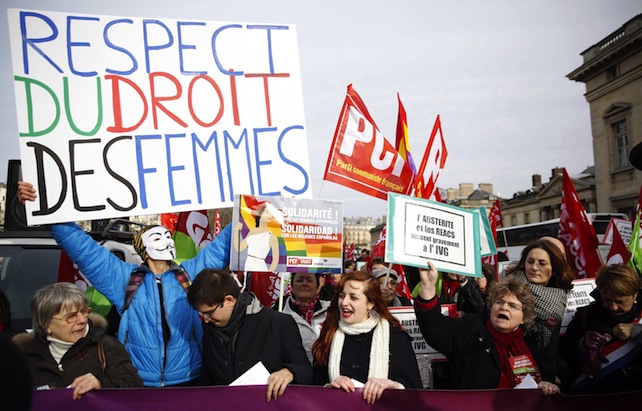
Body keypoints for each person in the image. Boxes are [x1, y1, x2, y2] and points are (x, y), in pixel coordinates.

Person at [17, 181, 232, 387]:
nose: (166, 241)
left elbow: (222, 246)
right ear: (144, 250)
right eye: (157, 238)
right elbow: (82, 248)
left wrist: (249, 212)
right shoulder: (123, 279)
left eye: (167, 236)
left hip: (190, 378)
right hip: (137, 382)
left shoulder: (189, 274)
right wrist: (43, 208)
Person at [415, 262, 560, 395]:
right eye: (499, 302)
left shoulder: (535, 353)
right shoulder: (470, 330)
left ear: (524, 317)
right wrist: (428, 288)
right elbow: (435, 329)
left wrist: (549, 388)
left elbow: (550, 389)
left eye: (513, 306)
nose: (504, 307)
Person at [187, 268, 312, 401]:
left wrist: (290, 372)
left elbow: (305, 370)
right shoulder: (209, 327)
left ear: (229, 300)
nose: (206, 319)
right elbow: (208, 375)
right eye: (202, 314)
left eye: (209, 312)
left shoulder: (279, 323)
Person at [12, 283, 142, 399]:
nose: (82, 320)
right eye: (71, 317)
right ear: (46, 325)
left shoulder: (105, 346)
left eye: (84, 312)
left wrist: (101, 384)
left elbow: (136, 390)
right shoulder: (25, 358)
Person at [312, 271, 422, 404]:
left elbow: (415, 392)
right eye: (342, 296)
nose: (344, 302)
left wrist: (392, 385)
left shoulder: (396, 338)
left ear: (370, 303)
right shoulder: (329, 334)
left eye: (353, 297)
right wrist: (330, 388)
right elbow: (314, 388)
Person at [560, 264, 642, 394]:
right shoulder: (586, 316)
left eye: (620, 302)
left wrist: (636, 331)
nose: (613, 307)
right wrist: (583, 346)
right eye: (607, 300)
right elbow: (565, 357)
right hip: (598, 395)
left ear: (635, 295)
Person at [505, 239, 573, 369]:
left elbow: (552, 345)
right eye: (530, 262)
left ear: (554, 269)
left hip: (544, 367)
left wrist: (551, 375)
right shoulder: (509, 288)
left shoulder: (559, 298)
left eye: (542, 263)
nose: (534, 268)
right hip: (514, 362)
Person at [274, 272, 330, 364]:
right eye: (299, 280)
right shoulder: (278, 312)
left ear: (317, 285)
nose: (305, 284)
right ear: (292, 285)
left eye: (310, 280)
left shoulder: (331, 311)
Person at [233, 200, 285, 272]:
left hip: (260, 268)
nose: (269, 215)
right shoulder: (252, 232)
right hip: (248, 265)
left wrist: (267, 274)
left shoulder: (272, 237)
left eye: (271, 213)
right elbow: (239, 248)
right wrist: (236, 231)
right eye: (267, 212)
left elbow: (275, 260)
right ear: (260, 213)